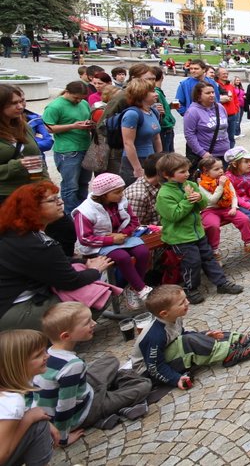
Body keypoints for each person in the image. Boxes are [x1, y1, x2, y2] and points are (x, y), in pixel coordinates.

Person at [31, 302, 151, 446]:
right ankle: (110, 391)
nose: (94, 323)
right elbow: (65, 406)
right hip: (83, 412)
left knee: (111, 360)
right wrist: (63, 438)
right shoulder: (72, 367)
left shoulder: (51, 353)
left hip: (84, 390)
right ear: (66, 336)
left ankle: (108, 386)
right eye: (87, 322)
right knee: (144, 386)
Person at [0, 182, 114, 331]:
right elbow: (70, 281)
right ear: (32, 208)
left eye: (58, 198)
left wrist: (83, 261)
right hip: (13, 312)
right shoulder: (37, 243)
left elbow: (53, 262)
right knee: (97, 292)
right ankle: (53, 338)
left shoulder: (17, 232)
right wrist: (96, 270)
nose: (60, 202)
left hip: (7, 305)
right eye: (52, 200)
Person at [133, 285, 250, 389]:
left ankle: (239, 339)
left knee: (205, 335)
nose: (187, 302)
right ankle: (229, 353)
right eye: (182, 303)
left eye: (185, 299)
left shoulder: (174, 318)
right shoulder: (155, 335)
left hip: (163, 357)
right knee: (188, 342)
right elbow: (154, 367)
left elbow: (180, 334)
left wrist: (205, 335)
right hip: (150, 372)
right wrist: (176, 379)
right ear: (164, 313)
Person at [154, 153, 243, 305]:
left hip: (198, 232)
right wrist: (189, 200)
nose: (187, 174)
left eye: (187, 170)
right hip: (180, 237)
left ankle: (221, 283)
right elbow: (174, 215)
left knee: (209, 258)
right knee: (192, 262)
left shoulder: (191, 185)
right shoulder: (164, 194)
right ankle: (191, 289)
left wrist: (200, 198)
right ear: (167, 175)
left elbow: (204, 205)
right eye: (182, 172)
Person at [71, 173, 153, 311]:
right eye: (117, 192)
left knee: (143, 252)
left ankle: (134, 288)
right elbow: (84, 238)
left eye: (121, 191)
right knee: (122, 257)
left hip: (122, 238)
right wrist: (111, 239)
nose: (121, 195)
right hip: (98, 244)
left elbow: (134, 221)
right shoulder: (85, 211)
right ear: (103, 194)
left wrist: (123, 233)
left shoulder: (121, 202)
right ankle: (141, 288)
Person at [0, 329, 55, 466]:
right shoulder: (11, 402)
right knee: (39, 425)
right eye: (38, 355)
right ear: (17, 366)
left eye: (45, 350)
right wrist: (29, 419)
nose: (47, 356)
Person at [197, 157, 250, 261]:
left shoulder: (225, 180)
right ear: (206, 171)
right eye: (216, 169)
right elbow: (212, 200)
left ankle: (249, 244)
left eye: (221, 168)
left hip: (226, 207)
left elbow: (233, 195)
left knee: (244, 219)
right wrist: (221, 186)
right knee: (212, 226)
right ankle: (215, 252)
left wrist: (234, 207)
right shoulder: (202, 185)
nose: (221, 171)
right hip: (210, 210)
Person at [41, 81, 94, 213]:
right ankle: (70, 214)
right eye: (76, 98)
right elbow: (47, 128)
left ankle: (83, 212)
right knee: (70, 186)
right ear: (67, 92)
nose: (78, 101)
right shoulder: (55, 106)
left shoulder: (84, 103)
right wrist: (72, 126)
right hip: (67, 150)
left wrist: (89, 124)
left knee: (84, 183)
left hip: (85, 147)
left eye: (81, 98)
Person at [119, 80, 164, 186]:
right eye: (152, 91)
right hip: (135, 160)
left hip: (151, 159)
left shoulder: (153, 111)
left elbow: (156, 137)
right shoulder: (132, 114)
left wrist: (160, 157)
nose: (156, 94)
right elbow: (128, 143)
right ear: (141, 94)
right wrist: (137, 168)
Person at [183, 82, 230, 170]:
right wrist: (202, 153)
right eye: (208, 93)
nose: (212, 95)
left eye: (213, 92)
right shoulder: (192, 112)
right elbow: (189, 135)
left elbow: (225, 128)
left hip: (224, 154)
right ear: (199, 96)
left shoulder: (220, 107)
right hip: (206, 156)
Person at [151, 66, 176, 153]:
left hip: (166, 128)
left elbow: (162, 109)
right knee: (166, 155)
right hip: (164, 128)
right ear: (162, 76)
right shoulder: (156, 93)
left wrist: (170, 107)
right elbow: (160, 112)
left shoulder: (157, 91)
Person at [216, 68, 242, 149]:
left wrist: (236, 109)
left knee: (231, 137)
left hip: (232, 115)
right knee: (220, 137)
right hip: (220, 116)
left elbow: (235, 99)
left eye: (226, 73)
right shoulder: (215, 85)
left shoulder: (230, 86)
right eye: (223, 74)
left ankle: (231, 152)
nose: (226, 75)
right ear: (218, 75)